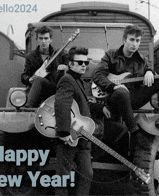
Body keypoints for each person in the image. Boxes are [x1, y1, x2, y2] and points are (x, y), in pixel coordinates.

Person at [93, 24, 159, 136]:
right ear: (124, 40)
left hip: (133, 98)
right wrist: (113, 86)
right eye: (132, 40)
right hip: (114, 98)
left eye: (138, 40)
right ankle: (134, 129)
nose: (135, 44)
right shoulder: (111, 55)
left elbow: (149, 72)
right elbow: (97, 75)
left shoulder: (142, 60)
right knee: (122, 92)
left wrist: (150, 71)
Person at [54, 46, 111, 196]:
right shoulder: (67, 79)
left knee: (87, 174)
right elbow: (62, 104)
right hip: (69, 136)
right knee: (63, 176)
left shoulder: (78, 81)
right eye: (79, 62)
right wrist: (64, 132)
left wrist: (99, 108)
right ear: (70, 64)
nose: (84, 65)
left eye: (86, 62)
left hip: (82, 138)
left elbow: (81, 105)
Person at [21, 26, 67, 108]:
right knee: (37, 79)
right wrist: (29, 79)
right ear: (37, 40)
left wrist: (65, 66)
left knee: (38, 79)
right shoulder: (30, 57)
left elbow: (70, 64)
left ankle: (27, 107)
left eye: (46, 38)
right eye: (41, 38)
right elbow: (24, 76)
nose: (43, 41)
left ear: (50, 39)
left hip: (54, 89)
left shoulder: (59, 54)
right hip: (37, 91)